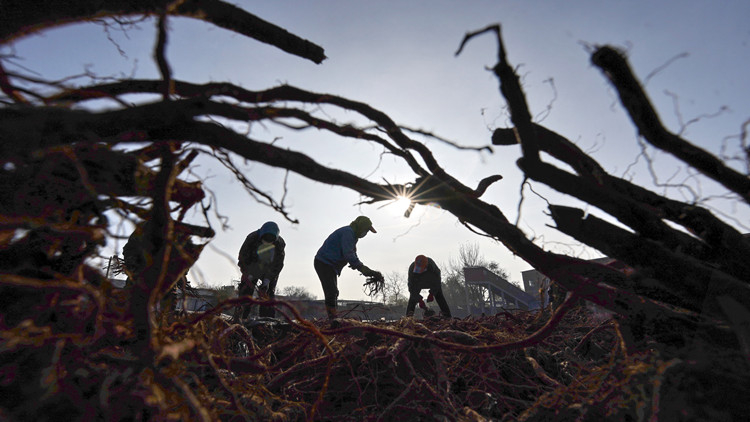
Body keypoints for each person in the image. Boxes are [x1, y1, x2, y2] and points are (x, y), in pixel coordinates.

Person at [314, 216, 382, 320]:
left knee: (333, 292)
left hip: (330, 265)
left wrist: (357, 264)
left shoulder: (353, 236)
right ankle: (333, 320)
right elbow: (349, 254)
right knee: (331, 292)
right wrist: (362, 268)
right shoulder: (348, 233)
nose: (365, 233)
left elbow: (352, 254)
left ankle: (334, 319)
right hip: (324, 262)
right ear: (361, 227)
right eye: (366, 230)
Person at [236, 221, 285, 320]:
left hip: (269, 269)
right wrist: (248, 274)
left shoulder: (280, 244)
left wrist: (267, 280)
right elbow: (242, 258)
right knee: (245, 291)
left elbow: (278, 265)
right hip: (252, 266)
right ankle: (241, 318)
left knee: (268, 294)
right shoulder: (251, 238)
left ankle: (267, 320)